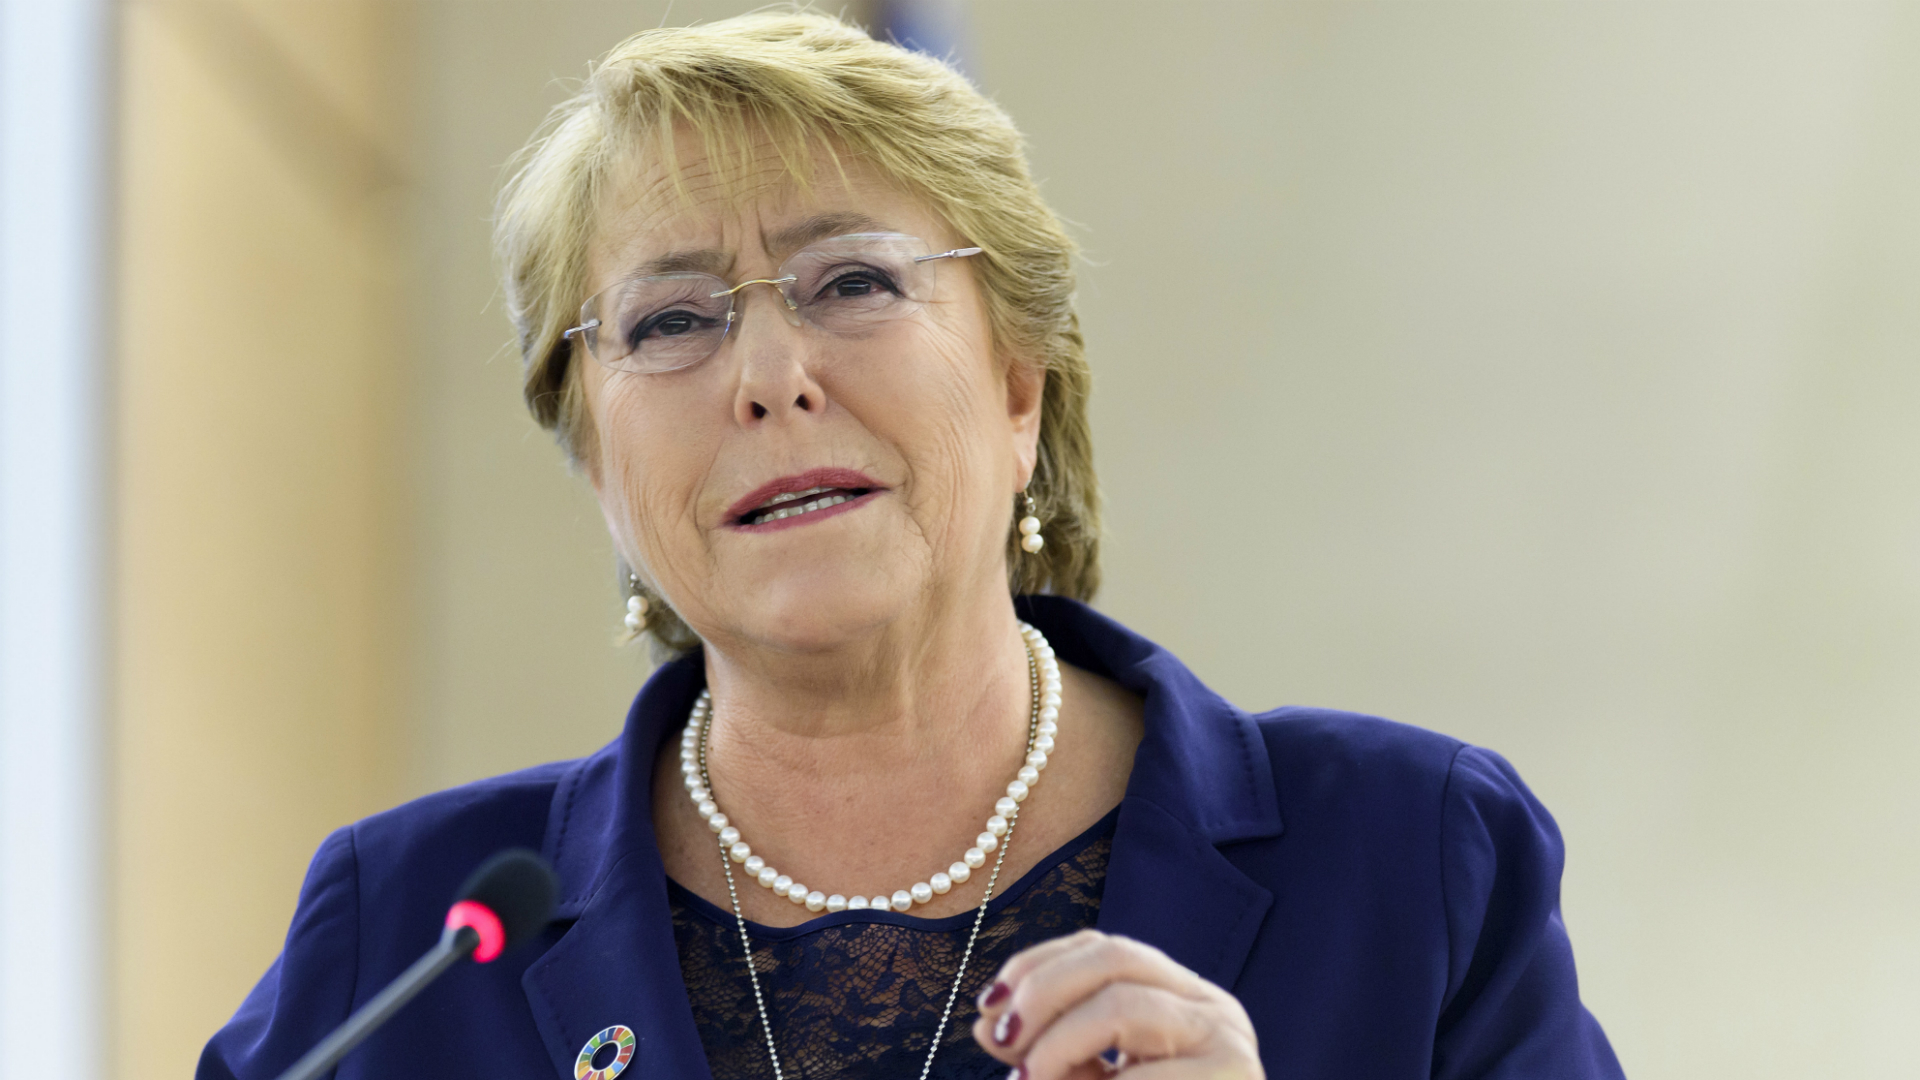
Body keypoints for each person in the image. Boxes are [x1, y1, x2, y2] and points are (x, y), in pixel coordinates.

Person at [200, 12, 1624, 1080]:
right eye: (671, 320)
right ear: (594, 462)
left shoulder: (1411, 860)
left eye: (852, 283)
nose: (769, 377)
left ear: (1019, 385)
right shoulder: (408, 936)